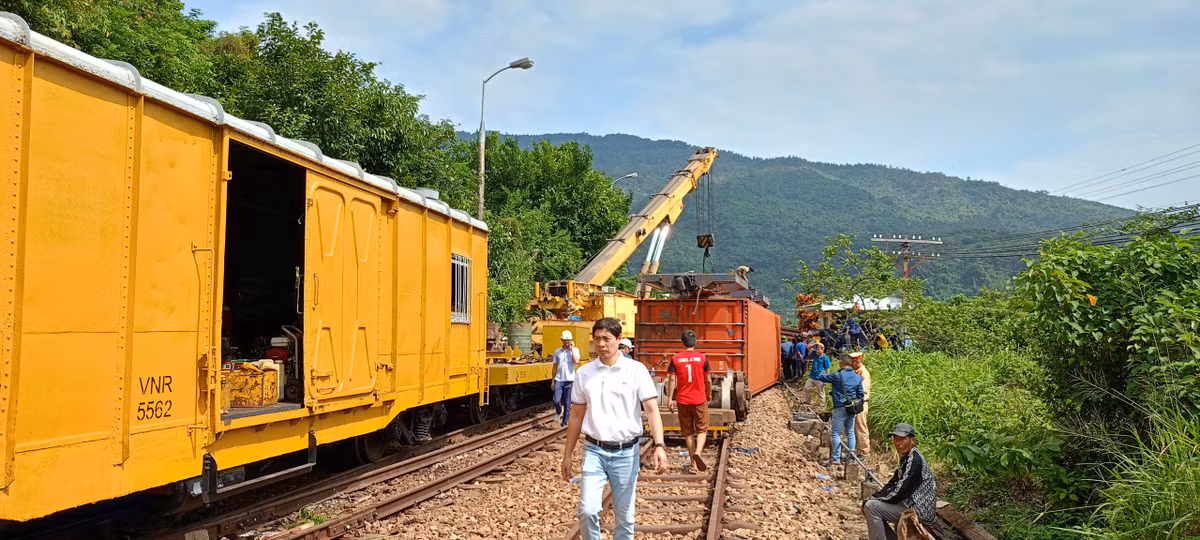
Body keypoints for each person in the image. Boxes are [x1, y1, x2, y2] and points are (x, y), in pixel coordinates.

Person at [562, 318, 670, 540]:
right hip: (594, 451)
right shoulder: (585, 373)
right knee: (588, 510)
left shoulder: (635, 370)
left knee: (625, 519)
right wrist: (568, 455)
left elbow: (651, 410)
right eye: (597, 339)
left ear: (619, 340)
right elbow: (575, 415)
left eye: (607, 339)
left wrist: (659, 445)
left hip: (626, 453)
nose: (601, 344)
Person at [862, 423, 938, 540]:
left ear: (912, 440)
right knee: (870, 504)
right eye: (895, 439)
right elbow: (893, 482)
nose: (898, 443)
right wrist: (876, 496)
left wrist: (876, 500)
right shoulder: (907, 457)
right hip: (909, 504)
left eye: (902, 439)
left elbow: (901, 491)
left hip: (919, 510)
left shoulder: (915, 460)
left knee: (872, 507)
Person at [665, 330, 712, 472]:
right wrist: (708, 394)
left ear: (682, 343)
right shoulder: (703, 358)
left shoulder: (675, 358)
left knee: (688, 432)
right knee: (702, 429)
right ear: (695, 342)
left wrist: (670, 398)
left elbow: (672, 379)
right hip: (699, 398)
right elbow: (708, 380)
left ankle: (693, 463)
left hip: (683, 400)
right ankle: (698, 452)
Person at [812, 354, 864, 465]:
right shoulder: (857, 377)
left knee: (836, 433)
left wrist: (820, 368)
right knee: (850, 433)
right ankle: (851, 457)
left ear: (841, 363)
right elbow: (860, 394)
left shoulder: (837, 375)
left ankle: (835, 458)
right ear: (850, 363)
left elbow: (821, 377)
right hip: (852, 409)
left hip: (840, 408)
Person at [552, 330, 581, 427]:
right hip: (559, 379)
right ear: (561, 340)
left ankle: (564, 423)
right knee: (556, 399)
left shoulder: (575, 350)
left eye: (569, 340)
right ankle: (559, 411)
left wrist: (572, 348)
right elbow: (555, 366)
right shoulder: (557, 351)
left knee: (568, 403)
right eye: (565, 340)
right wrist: (553, 381)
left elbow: (576, 361)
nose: (567, 342)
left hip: (570, 380)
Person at [850, 351, 872, 457]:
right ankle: (859, 449)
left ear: (857, 362)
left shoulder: (864, 373)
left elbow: (862, 390)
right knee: (856, 428)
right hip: (856, 403)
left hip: (861, 403)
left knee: (861, 428)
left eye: (853, 362)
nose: (851, 364)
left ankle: (864, 451)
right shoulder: (857, 372)